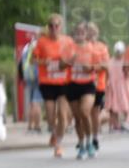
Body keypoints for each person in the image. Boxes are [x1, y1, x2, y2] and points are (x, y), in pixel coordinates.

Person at [32, 14, 73, 158]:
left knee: (63, 115)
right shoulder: (42, 42)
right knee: (50, 116)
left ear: (61, 27)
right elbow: (33, 60)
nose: (54, 28)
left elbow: (74, 58)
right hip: (48, 82)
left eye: (56, 26)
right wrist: (45, 62)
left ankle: (58, 144)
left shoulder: (68, 41)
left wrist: (66, 61)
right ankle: (54, 133)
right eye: (51, 26)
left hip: (63, 82)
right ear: (48, 27)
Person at [67, 22, 98, 159]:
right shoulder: (69, 47)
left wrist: (90, 67)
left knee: (85, 112)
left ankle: (90, 141)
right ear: (74, 33)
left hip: (88, 84)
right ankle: (82, 144)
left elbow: (100, 65)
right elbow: (61, 64)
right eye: (77, 31)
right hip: (72, 84)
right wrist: (69, 60)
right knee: (77, 118)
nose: (80, 34)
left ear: (86, 34)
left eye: (82, 32)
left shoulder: (92, 48)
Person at [87, 22, 109, 150]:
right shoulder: (82, 47)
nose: (91, 35)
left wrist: (94, 66)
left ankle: (94, 137)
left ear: (97, 33)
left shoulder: (102, 47)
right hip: (84, 83)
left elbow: (106, 65)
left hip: (98, 85)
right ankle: (87, 138)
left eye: (93, 32)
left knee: (94, 113)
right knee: (85, 112)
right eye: (89, 32)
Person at [20, 35, 44, 132]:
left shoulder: (27, 47)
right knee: (36, 101)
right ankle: (37, 126)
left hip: (28, 76)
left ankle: (30, 125)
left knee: (31, 101)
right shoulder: (38, 47)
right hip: (37, 75)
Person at [107, 41, 129, 132]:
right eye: (117, 51)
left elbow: (126, 73)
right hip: (113, 86)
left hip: (124, 85)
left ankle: (126, 122)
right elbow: (108, 74)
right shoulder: (110, 61)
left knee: (126, 105)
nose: (119, 53)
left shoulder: (125, 61)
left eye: (120, 52)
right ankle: (115, 124)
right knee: (113, 106)